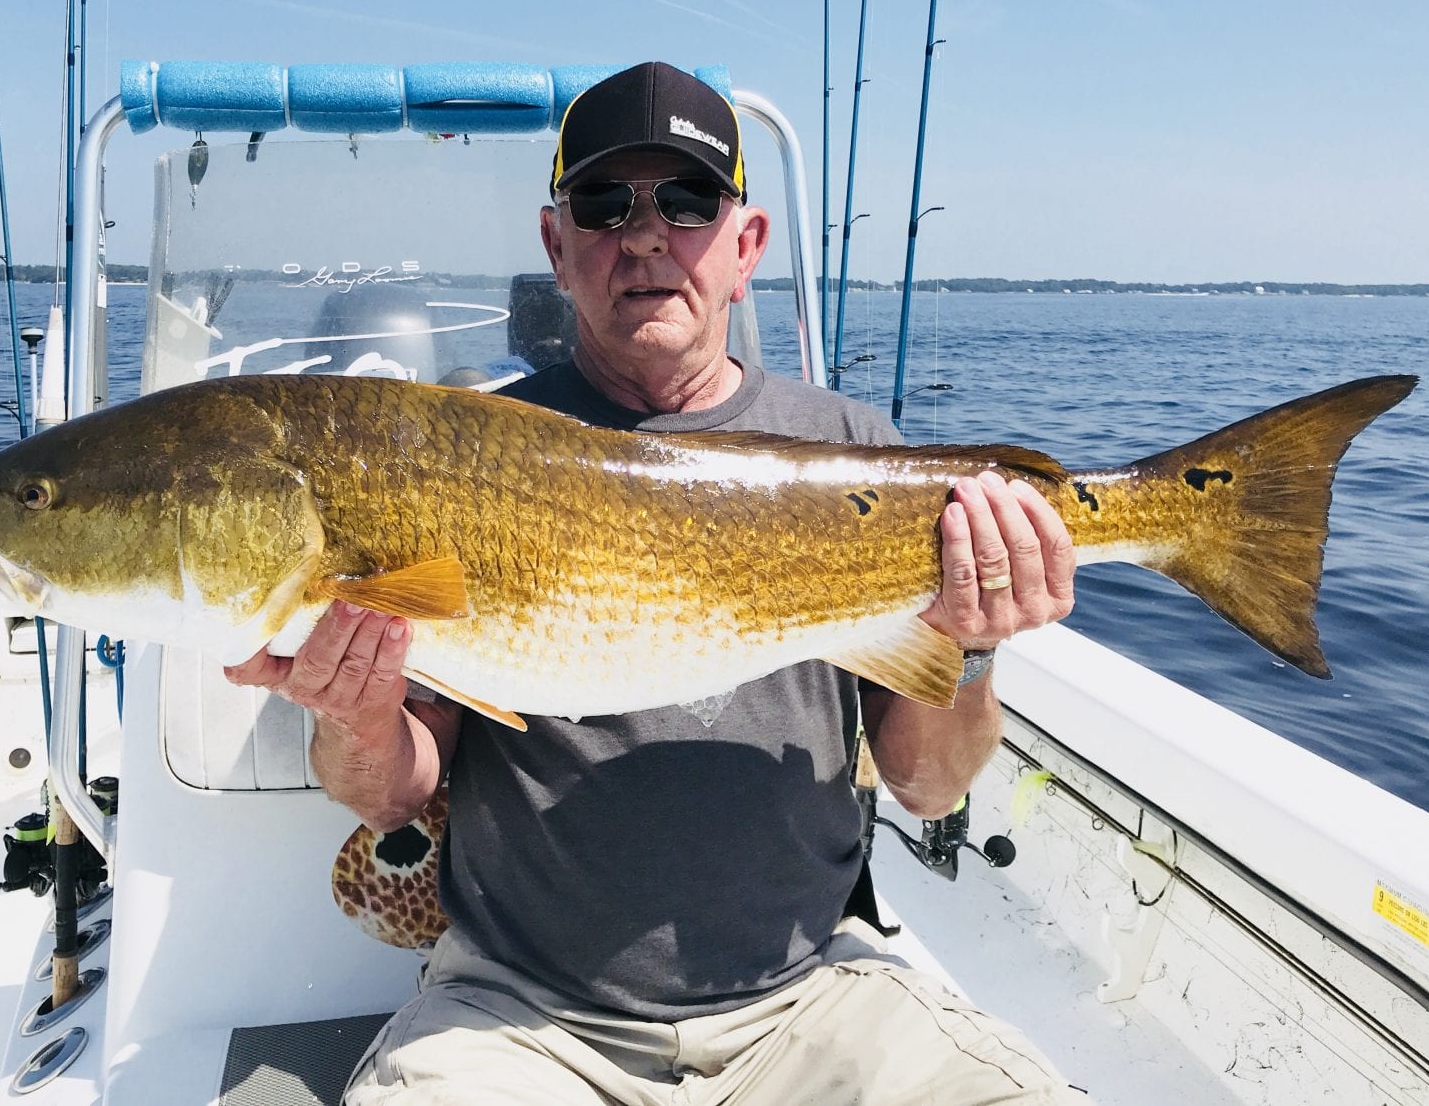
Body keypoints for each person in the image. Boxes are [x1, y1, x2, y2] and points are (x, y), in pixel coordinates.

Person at [227, 62, 1082, 1104]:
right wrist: (355, 716)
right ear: (557, 246)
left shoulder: (859, 449)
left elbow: (928, 784)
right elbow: (395, 789)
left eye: (686, 201)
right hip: (523, 1013)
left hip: (812, 995)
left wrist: (976, 644)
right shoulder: (464, 451)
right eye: (603, 202)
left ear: (745, 245)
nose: (643, 236)